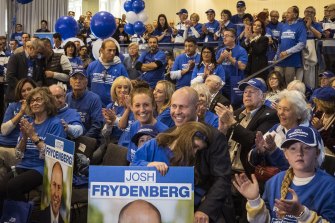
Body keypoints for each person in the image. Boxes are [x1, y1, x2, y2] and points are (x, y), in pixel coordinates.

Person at [233, 126, 335, 222]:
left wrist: (301, 213)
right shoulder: (273, 182)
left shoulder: (330, 187)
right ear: (285, 154)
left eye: (306, 148)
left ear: (317, 152)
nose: (299, 153)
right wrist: (254, 200)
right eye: (293, 148)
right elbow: (265, 221)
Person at [0, 87, 66, 212]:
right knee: (1, 187)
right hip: (25, 164)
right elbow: (19, 154)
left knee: (13, 187)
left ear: (47, 102)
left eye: (38, 100)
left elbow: (54, 156)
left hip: (43, 168)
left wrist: (34, 137)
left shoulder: (55, 124)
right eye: (31, 101)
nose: (34, 103)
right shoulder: (29, 121)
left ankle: (24, 216)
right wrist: (24, 137)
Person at [250, 90, 311, 171]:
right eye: (279, 108)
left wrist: (274, 150)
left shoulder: (308, 134)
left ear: (299, 114)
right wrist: (259, 151)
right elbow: (251, 159)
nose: (281, 113)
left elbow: (296, 168)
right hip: (272, 181)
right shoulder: (277, 128)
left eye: (286, 109)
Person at [0, 79, 36, 168]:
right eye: (23, 91)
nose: (26, 92)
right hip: (2, 144)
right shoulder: (13, 106)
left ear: (35, 89)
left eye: (29, 89)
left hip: (17, 149)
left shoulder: (38, 108)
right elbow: (4, 131)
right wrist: (21, 113)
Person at [126, 87, 168, 162]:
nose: (142, 110)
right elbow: (131, 159)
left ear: (153, 106)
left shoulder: (164, 131)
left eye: (146, 105)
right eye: (137, 105)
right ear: (132, 107)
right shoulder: (134, 126)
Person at [87, 39, 128, 107]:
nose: (112, 53)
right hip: (94, 106)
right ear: (102, 50)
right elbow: (87, 85)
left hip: (114, 107)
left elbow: (127, 88)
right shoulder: (92, 66)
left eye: (114, 50)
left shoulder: (121, 68)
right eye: (109, 50)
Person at [66, 68, 104, 139]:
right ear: (70, 82)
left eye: (81, 78)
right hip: (68, 136)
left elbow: (97, 125)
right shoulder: (66, 97)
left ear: (86, 82)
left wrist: (83, 140)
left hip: (88, 139)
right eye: (75, 78)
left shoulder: (94, 99)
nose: (78, 81)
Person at [275, 6, 307, 85]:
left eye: (289, 12)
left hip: (292, 61)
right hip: (280, 60)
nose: (286, 14)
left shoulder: (300, 26)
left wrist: (287, 52)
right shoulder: (283, 26)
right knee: (277, 83)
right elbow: (279, 43)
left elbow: (301, 44)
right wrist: (276, 55)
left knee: (289, 84)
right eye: (286, 12)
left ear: (295, 15)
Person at [216, 28, 248, 105]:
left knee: (234, 105)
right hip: (221, 83)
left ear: (233, 38)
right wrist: (221, 58)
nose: (224, 38)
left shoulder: (241, 50)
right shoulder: (220, 50)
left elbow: (242, 66)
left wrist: (230, 58)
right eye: (223, 36)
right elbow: (215, 66)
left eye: (227, 36)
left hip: (234, 83)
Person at [101, 76, 134, 144]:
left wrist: (114, 120)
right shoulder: (110, 106)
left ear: (129, 89)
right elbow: (104, 134)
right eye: (119, 87)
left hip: (126, 143)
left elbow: (129, 130)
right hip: (111, 141)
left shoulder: (132, 107)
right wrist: (109, 124)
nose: (122, 90)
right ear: (114, 89)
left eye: (125, 87)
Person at [312, 87, 335, 155]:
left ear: (326, 104)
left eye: (318, 102)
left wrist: (321, 129)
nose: (316, 105)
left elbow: (333, 146)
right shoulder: (320, 113)